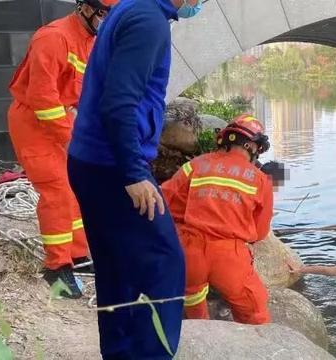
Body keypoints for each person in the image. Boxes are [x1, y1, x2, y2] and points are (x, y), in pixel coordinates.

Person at [66, 0, 203, 358]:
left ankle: (120, 352)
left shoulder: (133, 6)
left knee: (117, 269)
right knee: (165, 264)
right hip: (113, 168)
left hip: (91, 161)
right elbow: (120, 102)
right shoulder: (149, 22)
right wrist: (134, 172)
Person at [7, 0, 116, 298]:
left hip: (60, 118)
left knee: (78, 188)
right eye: (106, 15)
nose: (109, 22)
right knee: (58, 192)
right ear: (85, 8)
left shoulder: (90, 40)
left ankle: (78, 256)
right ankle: (56, 268)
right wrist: (74, 140)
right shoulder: (52, 38)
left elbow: (85, 92)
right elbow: (43, 100)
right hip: (34, 122)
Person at [161, 114, 274, 325]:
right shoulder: (260, 180)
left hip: (189, 251)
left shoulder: (195, 165)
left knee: (192, 297)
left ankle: (202, 331)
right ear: (250, 145)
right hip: (229, 256)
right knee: (254, 311)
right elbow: (259, 232)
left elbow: (164, 200)